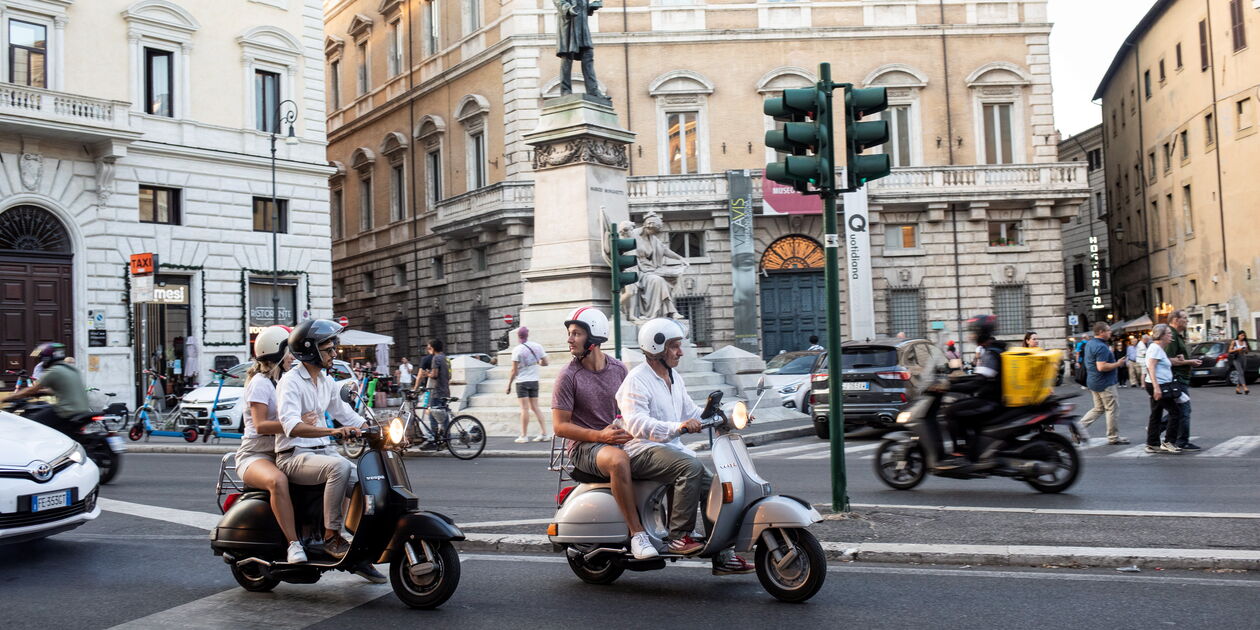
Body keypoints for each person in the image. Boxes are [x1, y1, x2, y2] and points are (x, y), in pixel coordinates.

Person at [616, 318, 755, 575]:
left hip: (669, 449)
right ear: (657, 348)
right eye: (674, 346)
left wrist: (727, 416)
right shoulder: (636, 380)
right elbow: (636, 424)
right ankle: (679, 536)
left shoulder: (673, 377)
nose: (680, 352)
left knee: (714, 486)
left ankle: (722, 554)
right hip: (641, 450)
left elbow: (691, 412)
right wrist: (678, 427)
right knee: (689, 467)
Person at [550, 307, 656, 559]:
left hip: (616, 441)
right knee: (618, 460)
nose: (569, 339)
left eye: (576, 333)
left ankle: (675, 533)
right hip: (584, 447)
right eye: (569, 333)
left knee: (668, 458)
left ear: (594, 337)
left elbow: (631, 407)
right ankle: (638, 534)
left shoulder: (619, 369)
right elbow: (560, 426)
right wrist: (601, 436)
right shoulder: (568, 376)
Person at [274, 319, 367, 559]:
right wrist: (333, 432)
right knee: (339, 467)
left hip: (322, 453)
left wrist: (379, 429)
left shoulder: (327, 382)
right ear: (311, 351)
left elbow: (346, 415)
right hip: (294, 456)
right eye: (328, 350)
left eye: (334, 348)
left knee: (367, 480)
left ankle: (361, 535)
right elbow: (292, 426)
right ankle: (331, 536)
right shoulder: (290, 382)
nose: (334, 354)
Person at [235, 326, 307, 564]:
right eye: (289, 352)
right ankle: (293, 545)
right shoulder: (260, 383)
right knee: (278, 481)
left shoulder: (284, 381)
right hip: (254, 455)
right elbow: (261, 425)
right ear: (275, 352)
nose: (292, 357)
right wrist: (297, 423)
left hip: (282, 451)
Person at [939, 315, 1006, 469]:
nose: (971, 336)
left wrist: (948, 387)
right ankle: (969, 448)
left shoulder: (991, 354)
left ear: (981, 333)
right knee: (960, 406)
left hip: (990, 401)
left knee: (951, 411)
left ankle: (960, 453)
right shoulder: (989, 350)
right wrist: (953, 381)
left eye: (974, 332)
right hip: (989, 398)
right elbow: (978, 378)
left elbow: (977, 383)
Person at [3, 343, 91, 432]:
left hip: (66, 410)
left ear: (46, 358)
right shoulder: (73, 370)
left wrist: (8, 398)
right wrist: (41, 392)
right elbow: (60, 390)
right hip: (83, 409)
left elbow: (32, 390)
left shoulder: (53, 371)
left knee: (35, 423)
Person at [1079, 322, 1130, 445]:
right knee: (1112, 409)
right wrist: (1118, 364)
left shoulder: (1090, 343)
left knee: (1099, 408)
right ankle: (1113, 437)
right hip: (1105, 383)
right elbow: (1101, 367)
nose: (1110, 332)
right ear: (1101, 332)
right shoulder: (1101, 347)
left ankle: (1079, 427)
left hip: (1093, 381)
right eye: (1108, 330)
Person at [1144, 323, 1185, 454]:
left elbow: (1164, 362)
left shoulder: (1158, 348)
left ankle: (1152, 443)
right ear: (1161, 336)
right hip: (1159, 385)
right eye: (1168, 333)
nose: (1171, 335)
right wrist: (1156, 388)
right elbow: (1151, 367)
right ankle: (1169, 442)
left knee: (1156, 414)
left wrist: (1178, 359)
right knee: (1175, 412)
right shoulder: (1155, 348)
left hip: (1158, 384)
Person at [506, 326, 550, 443]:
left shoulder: (517, 350)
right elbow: (546, 362)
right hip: (534, 380)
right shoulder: (537, 346)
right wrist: (537, 363)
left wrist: (509, 385)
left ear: (518, 336)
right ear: (527, 334)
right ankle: (544, 433)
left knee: (524, 409)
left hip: (522, 382)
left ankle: (524, 435)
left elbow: (514, 370)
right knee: (535, 407)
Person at [1167, 310, 1202, 451]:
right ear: (1176, 320)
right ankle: (1182, 441)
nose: (1187, 320)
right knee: (1184, 409)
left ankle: (1157, 428)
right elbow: (1169, 360)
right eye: (1184, 318)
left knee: (1178, 409)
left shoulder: (1177, 335)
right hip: (1177, 377)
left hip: (1180, 377)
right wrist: (1189, 362)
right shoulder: (1171, 335)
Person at [1229, 331, 1250, 395]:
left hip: (1243, 358)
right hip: (1236, 358)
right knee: (1241, 373)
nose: (1243, 337)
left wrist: (1246, 349)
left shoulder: (1245, 342)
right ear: (1238, 335)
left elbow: (1247, 352)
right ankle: (1245, 388)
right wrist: (1238, 349)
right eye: (1241, 335)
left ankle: (1237, 389)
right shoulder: (1234, 342)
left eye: (1244, 336)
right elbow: (1229, 351)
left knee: (1241, 373)